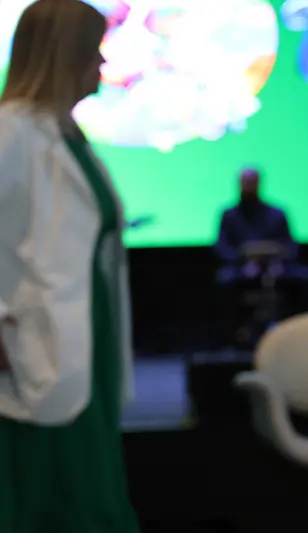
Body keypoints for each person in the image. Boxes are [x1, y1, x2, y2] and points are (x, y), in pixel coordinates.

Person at [0, 1, 139, 531]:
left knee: (86, 485)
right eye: (93, 50)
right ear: (66, 55)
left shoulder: (64, 134)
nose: (101, 63)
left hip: (83, 335)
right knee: (52, 494)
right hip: (30, 345)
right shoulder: (10, 133)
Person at [214, 168, 308, 343]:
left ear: (259, 184)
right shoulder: (229, 215)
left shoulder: (276, 214)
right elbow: (221, 246)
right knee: (223, 280)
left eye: (252, 182)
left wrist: (279, 263)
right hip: (243, 270)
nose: (248, 186)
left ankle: (306, 334)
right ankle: (230, 338)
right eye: (245, 182)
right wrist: (241, 262)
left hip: (277, 268)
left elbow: (291, 245)